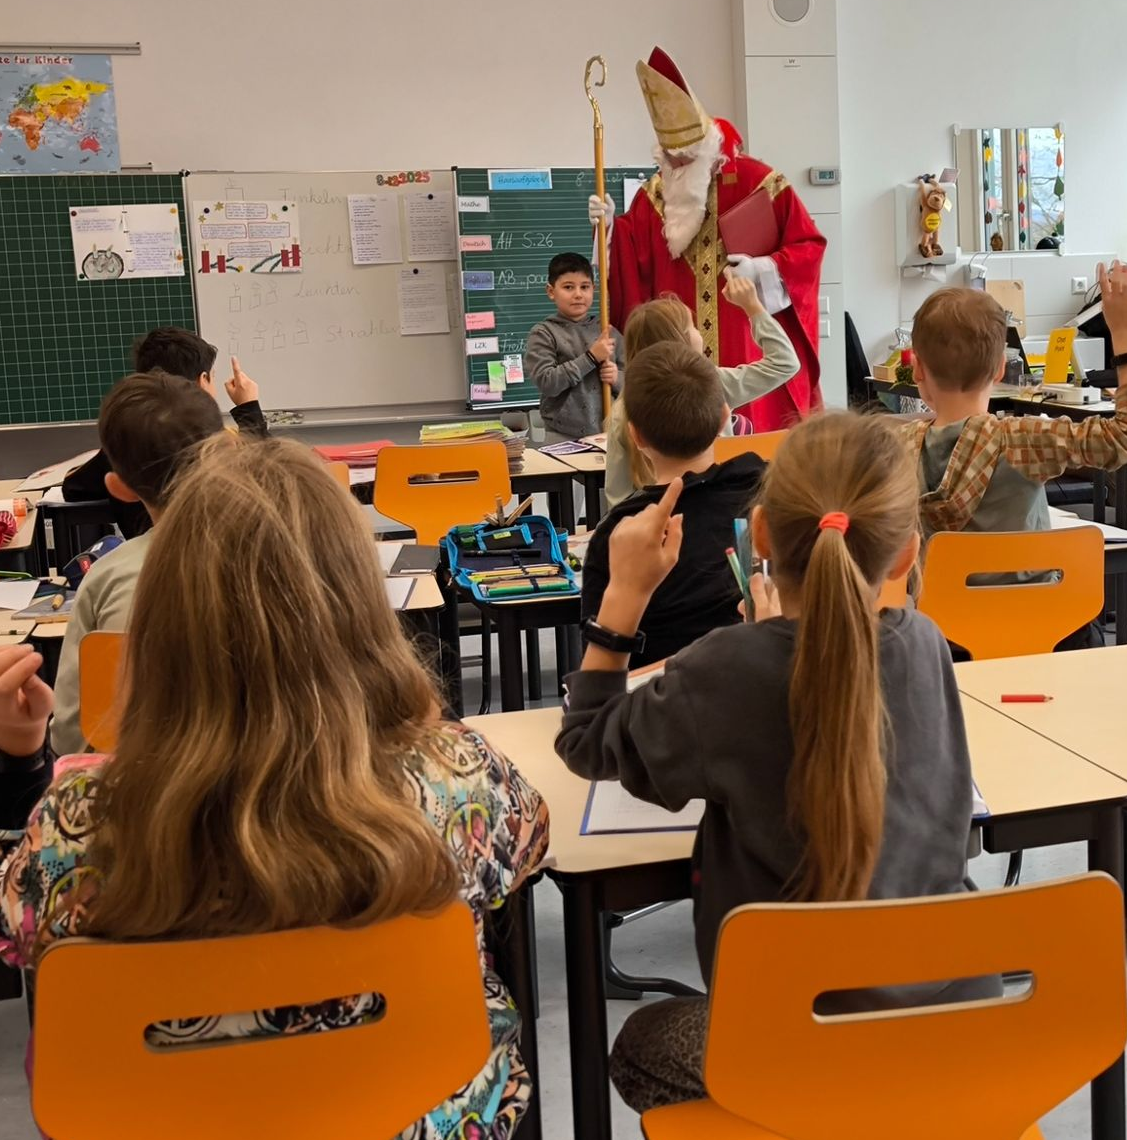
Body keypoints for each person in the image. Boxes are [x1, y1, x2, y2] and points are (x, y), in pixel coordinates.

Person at [0, 437, 550, 1138]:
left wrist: (21, 766)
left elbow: (17, 931)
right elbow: (529, 847)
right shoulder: (459, 777)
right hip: (417, 1118)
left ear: (164, 618)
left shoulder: (80, 821)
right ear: (360, 605)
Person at [557, 412, 991, 1113]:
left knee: (640, 1045)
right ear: (906, 554)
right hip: (953, 1022)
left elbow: (586, 742)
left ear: (758, 536)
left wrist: (623, 597)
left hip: (795, 1040)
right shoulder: (924, 643)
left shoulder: (724, 670)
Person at [589, 46, 825, 431]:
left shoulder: (760, 183)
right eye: (668, 159)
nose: (675, 168)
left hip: (745, 350)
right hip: (678, 364)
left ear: (705, 150)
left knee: (752, 449)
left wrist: (763, 269)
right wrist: (609, 230)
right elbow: (630, 268)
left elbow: (808, 249)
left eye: (684, 158)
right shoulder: (655, 196)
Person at [902, 267, 1127, 651]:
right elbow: (1119, 437)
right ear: (1001, 369)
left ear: (917, 369)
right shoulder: (1020, 439)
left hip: (946, 642)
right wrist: (1121, 336)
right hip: (1045, 636)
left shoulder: (894, 450)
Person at [52, 373, 225, 756]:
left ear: (119, 488)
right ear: (224, 453)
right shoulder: (286, 558)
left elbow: (71, 736)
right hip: (280, 780)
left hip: (140, 781)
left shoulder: (107, 577)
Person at [583, 341, 765, 667]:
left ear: (635, 436)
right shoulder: (769, 492)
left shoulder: (621, 532)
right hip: (764, 681)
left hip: (654, 693)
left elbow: (600, 655)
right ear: (725, 417)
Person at [604, 270, 798, 506]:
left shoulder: (625, 407)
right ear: (682, 339)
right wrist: (753, 307)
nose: (699, 333)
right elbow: (784, 363)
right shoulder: (711, 383)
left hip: (657, 517)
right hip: (721, 508)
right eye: (693, 327)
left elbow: (617, 497)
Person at [62, 327, 268, 537]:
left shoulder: (129, 440)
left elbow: (74, 489)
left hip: (146, 551)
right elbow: (266, 478)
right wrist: (249, 409)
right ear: (202, 380)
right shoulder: (215, 443)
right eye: (212, 377)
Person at [523, 251, 625, 440]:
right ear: (551, 291)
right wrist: (591, 358)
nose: (578, 294)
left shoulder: (607, 331)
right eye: (568, 287)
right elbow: (547, 382)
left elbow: (636, 382)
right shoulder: (544, 333)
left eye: (584, 287)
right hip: (561, 435)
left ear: (593, 289)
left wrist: (617, 378)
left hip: (609, 433)